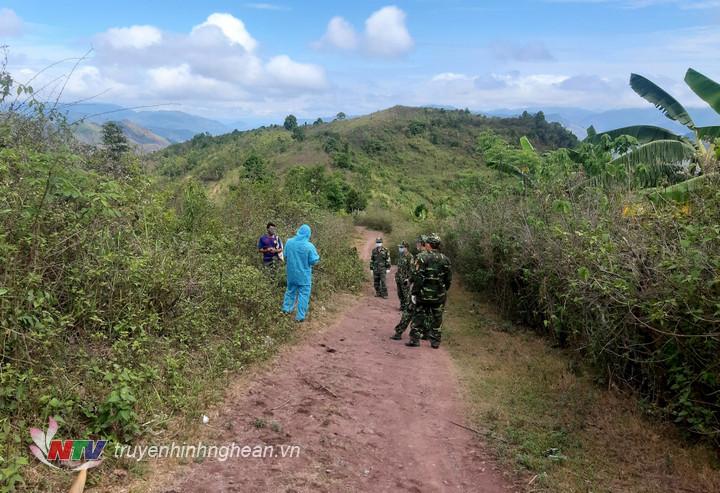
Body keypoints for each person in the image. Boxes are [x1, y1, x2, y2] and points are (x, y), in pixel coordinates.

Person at [406, 233, 452, 349]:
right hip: (439, 295)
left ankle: (415, 340)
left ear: (429, 245)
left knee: (419, 316)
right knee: (437, 318)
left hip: (423, 294)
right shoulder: (445, 259)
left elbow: (418, 277)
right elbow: (448, 280)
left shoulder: (422, 258)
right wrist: (443, 290)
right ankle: (435, 342)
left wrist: (414, 293)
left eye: (426, 243)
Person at [281, 224, 320, 322]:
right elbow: (314, 261)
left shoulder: (289, 242)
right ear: (308, 234)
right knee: (304, 295)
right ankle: (300, 317)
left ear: (298, 231)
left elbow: (285, 255)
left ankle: (286, 310)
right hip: (304, 276)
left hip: (291, 274)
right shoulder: (309, 246)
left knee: (290, 291)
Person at [390, 236, 425, 340]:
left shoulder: (417, 257)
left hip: (417, 288)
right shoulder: (439, 257)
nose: (400, 248)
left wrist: (410, 280)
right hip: (426, 290)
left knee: (409, 310)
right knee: (425, 312)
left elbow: (413, 272)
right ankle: (426, 334)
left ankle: (400, 332)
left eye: (402, 247)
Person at [395, 241, 413, 311]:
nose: (400, 248)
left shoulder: (410, 257)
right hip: (399, 277)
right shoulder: (401, 256)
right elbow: (399, 267)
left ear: (406, 248)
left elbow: (411, 269)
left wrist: (409, 279)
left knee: (406, 294)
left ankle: (407, 307)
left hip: (405, 278)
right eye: (400, 247)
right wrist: (396, 276)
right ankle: (402, 306)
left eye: (402, 247)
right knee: (400, 293)